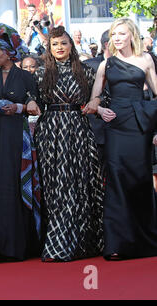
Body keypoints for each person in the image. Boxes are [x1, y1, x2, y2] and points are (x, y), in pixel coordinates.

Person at [87, 18, 157, 260]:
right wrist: (99, 109)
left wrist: (154, 128)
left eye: (121, 34)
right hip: (115, 125)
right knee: (116, 180)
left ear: (131, 36)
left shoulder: (146, 60)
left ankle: (146, 242)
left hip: (139, 127)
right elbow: (92, 101)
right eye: (114, 34)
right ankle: (116, 244)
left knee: (140, 179)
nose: (116, 38)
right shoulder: (106, 64)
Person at [33, 26, 105, 262]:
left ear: (71, 45)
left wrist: (97, 103)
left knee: (82, 185)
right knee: (57, 188)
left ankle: (84, 243)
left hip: (79, 130)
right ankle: (57, 244)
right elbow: (31, 102)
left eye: (64, 43)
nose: (60, 48)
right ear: (49, 48)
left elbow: (101, 96)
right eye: (55, 44)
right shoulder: (41, 73)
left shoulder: (86, 71)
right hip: (51, 133)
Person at [0, 24, 41, 263]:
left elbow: (35, 107)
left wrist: (19, 107)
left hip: (15, 136)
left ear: (10, 53)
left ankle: (16, 246)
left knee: (13, 185)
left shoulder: (25, 76)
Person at [83, 30, 111, 168]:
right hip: (96, 130)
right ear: (107, 44)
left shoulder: (131, 65)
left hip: (123, 127)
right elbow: (81, 96)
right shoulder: (89, 65)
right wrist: (98, 109)